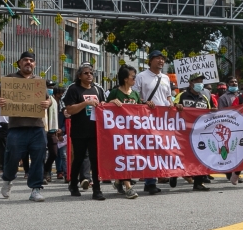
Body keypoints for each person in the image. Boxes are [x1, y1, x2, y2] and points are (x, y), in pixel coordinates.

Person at [0, 51, 53, 202]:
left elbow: (49, 100)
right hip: (16, 127)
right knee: (12, 157)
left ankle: (36, 188)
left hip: (37, 127)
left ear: (34, 64)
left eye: (31, 61)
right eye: (25, 60)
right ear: (19, 63)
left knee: (38, 157)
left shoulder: (39, 81)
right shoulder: (10, 79)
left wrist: (48, 103)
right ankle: (8, 179)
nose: (28, 63)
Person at [62, 64, 108, 200]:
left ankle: (97, 189)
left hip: (95, 131)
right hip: (79, 131)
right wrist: (85, 104)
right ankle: (73, 184)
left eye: (91, 73)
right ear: (79, 76)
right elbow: (69, 110)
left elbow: (104, 106)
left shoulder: (98, 89)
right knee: (79, 158)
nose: (89, 75)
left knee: (95, 160)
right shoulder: (74, 89)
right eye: (86, 73)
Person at [132, 49, 174, 195]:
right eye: (158, 58)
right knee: (150, 150)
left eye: (163, 59)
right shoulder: (141, 76)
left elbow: (168, 97)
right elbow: (135, 96)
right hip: (147, 118)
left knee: (163, 148)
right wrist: (145, 102)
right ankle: (150, 182)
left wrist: (171, 103)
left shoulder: (166, 78)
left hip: (163, 119)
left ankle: (162, 175)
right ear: (150, 60)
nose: (161, 61)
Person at [107, 64, 146, 197]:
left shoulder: (135, 94)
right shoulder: (115, 92)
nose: (135, 79)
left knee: (130, 158)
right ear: (125, 79)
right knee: (123, 157)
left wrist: (148, 105)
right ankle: (128, 187)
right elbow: (103, 108)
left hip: (133, 133)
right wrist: (112, 103)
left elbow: (141, 112)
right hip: (118, 132)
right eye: (133, 77)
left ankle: (119, 181)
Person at [173, 72, 213, 191]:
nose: (200, 84)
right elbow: (170, 110)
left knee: (200, 156)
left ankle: (198, 183)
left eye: (201, 82)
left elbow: (210, 113)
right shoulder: (182, 95)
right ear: (191, 83)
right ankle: (174, 174)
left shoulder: (204, 98)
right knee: (181, 156)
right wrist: (177, 107)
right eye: (197, 81)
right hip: (183, 132)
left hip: (199, 133)